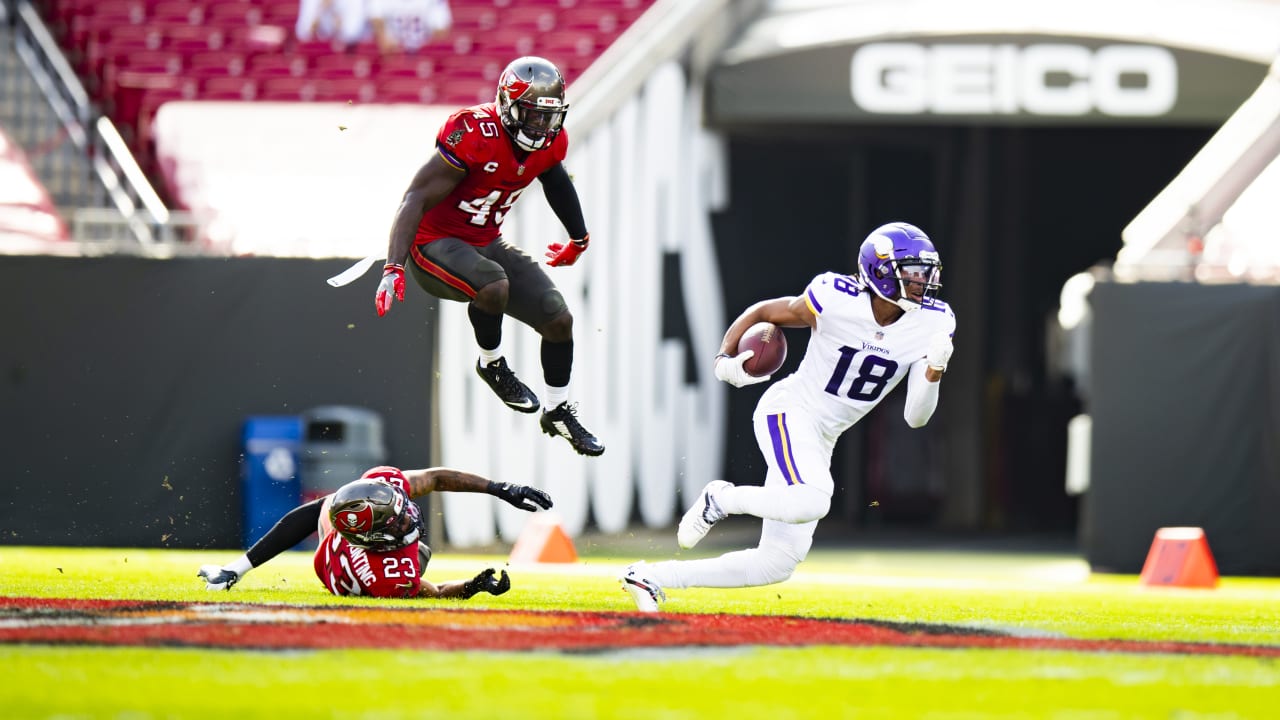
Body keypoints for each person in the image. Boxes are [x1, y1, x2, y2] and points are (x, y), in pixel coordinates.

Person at [620, 222, 956, 612]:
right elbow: (766, 311)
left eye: (926, 271)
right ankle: (722, 498)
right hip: (790, 409)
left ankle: (650, 578)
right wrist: (724, 358)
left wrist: (934, 370)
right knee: (814, 500)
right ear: (879, 269)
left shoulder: (935, 321)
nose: (922, 281)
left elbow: (916, 416)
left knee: (775, 563)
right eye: (912, 271)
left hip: (823, 435)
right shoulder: (835, 296)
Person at [374, 56, 604, 457]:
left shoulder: (552, 142)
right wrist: (393, 267)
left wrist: (578, 238)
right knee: (493, 282)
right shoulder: (473, 133)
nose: (540, 127)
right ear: (506, 107)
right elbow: (415, 196)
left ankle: (557, 410)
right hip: (433, 244)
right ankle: (492, 364)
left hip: (484, 241)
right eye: (531, 116)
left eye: (548, 118)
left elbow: (555, 181)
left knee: (557, 315)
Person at [197, 465, 553, 599]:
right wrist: (473, 587)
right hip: (340, 573)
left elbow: (434, 478)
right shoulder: (391, 576)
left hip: (344, 535)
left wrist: (499, 487)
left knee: (330, 505)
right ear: (377, 540)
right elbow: (438, 592)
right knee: (422, 555)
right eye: (398, 522)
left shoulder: (377, 488)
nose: (409, 518)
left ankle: (238, 567)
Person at [367, 0, 452, 54]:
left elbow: (441, 29)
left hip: (424, 51)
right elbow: (375, 17)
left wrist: (426, 48)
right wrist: (384, 38)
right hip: (394, 52)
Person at [295, 0, 370, 47]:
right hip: (321, 51)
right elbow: (303, 33)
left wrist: (338, 25)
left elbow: (352, 33)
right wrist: (321, 9)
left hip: (350, 52)